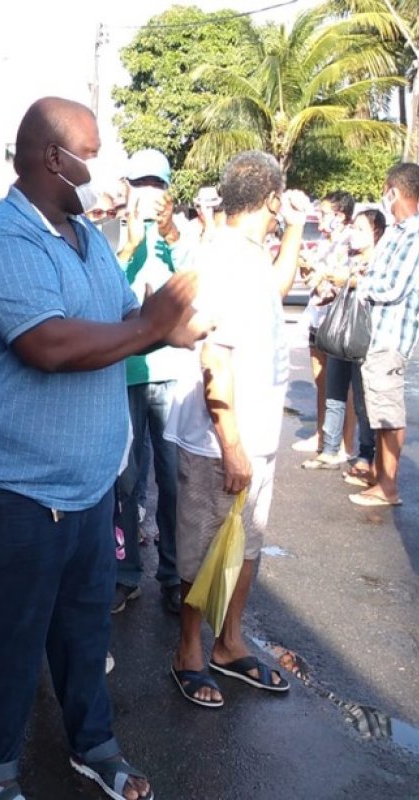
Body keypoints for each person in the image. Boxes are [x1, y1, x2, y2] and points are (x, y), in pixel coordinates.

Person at [0, 97, 204, 800]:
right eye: (93, 153)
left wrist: (163, 325)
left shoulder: (84, 235)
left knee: (83, 632)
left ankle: (94, 746)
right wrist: (148, 329)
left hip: (86, 483)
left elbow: (120, 317)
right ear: (54, 158)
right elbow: (46, 345)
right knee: (7, 640)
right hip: (10, 489)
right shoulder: (4, 243)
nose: (103, 168)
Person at [164, 151, 308, 709]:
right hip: (218, 441)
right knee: (202, 548)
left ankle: (229, 644)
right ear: (271, 197)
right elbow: (214, 359)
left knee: (246, 543)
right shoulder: (222, 257)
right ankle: (189, 651)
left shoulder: (248, 254)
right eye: (282, 202)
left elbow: (276, 287)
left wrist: (295, 229)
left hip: (255, 438)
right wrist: (231, 444)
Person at [112, 149, 188, 616]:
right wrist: (128, 244)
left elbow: (196, 288)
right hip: (123, 372)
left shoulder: (184, 236)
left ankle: (174, 574)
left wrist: (170, 235)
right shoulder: (107, 236)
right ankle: (125, 574)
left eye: (156, 184)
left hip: (172, 373)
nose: (148, 193)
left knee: (174, 481)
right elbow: (102, 296)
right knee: (124, 480)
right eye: (140, 183)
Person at [353, 162, 419, 507]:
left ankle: (389, 486)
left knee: (389, 413)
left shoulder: (414, 234)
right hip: (377, 336)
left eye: (385, 190)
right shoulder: (397, 231)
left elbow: (393, 286)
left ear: (394, 191)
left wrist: (361, 285)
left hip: (392, 339)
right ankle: (380, 475)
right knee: (379, 410)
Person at [303, 209, 385, 471]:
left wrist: (349, 280)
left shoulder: (381, 261)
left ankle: (365, 455)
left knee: (362, 401)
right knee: (334, 394)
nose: (354, 235)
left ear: (376, 233)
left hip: (364, 338)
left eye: (361, 229)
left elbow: (375, 290)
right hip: (340, 335)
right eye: (354, 228)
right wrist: (321, 280)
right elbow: (331, 292)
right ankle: (329, 449)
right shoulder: (348, 258)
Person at [294, 191, 356, 455]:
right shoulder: (323, 242)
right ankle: (321, 434)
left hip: (339, 318)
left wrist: (323, 275)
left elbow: (347, 279)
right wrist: (306, 267)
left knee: (343, 384)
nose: (319, 218)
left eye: (323, 213)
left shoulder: (351, 241)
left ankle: (345, 441)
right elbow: (312, 282)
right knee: (321, 378)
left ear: (339, 215)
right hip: (317, 315)